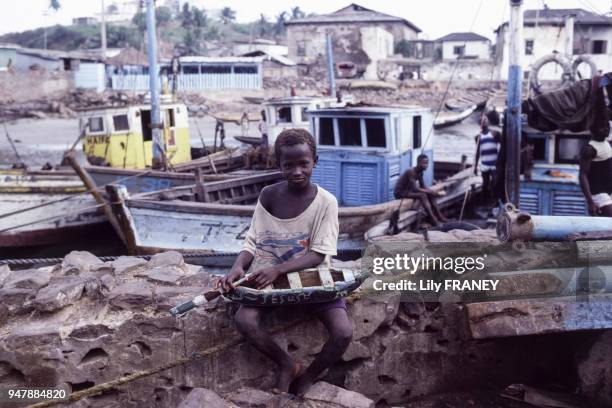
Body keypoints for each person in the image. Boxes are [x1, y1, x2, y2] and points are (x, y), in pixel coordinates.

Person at [217, 128, 352, 396]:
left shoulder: (327, 202)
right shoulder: (269, 195)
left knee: (343, 333)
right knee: (245, 320)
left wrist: (278, 268)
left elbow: (318, 254)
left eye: (304, 163)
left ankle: (308, 377)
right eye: (288, 165)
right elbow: (253, 242)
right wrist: (238, 267)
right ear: (278, 165)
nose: (297, 171)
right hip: (271, 280)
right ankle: (286, 363)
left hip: (312, 278)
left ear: (315, 161)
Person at [394, 154, 447, 226]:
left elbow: (423, 186)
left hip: (409, 191)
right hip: (400, 192)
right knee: (422, 195)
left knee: (429, 194)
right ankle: (433, 220)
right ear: (418, 163)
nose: (425, 165)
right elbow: (415, 189)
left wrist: (432, 192)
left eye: (427, 163)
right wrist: (429, 191)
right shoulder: (411, 172)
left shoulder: (420, 172)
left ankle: (440, 216)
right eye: (423, 163)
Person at [579, 131, 612, 216]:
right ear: (593, 129)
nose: (606, 129)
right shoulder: (589, 149)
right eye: (602, 127)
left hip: (608, 190)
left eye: (607, 126)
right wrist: (590, 203)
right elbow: (582, 175)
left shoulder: (606, 143)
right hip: (598, 194)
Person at [474, 117, 501, 205]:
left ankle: (494, 202)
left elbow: (503, 146)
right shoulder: (478, 137)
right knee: (485, 184)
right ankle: (484, 202)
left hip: (494, 164)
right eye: (482, 121)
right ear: (479, 124)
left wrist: (500, 160)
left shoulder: (495, 134)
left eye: (485, 120)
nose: (484, 122)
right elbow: (478, 152)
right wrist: (475, 166)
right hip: (484, 164)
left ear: (488, 122)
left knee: (494, 183)